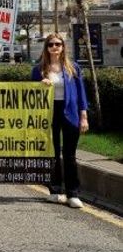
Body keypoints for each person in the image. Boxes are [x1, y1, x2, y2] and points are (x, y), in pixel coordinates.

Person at [31, 33, 89, 209]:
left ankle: (73, 193)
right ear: (46, 48)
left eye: (58, 44)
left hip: (70, 113)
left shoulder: (73, 68)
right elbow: (31, 93)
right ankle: (55, 191)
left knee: (70, 155)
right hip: (49, 113)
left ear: (63, 47)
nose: (54, 47)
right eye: (50, 44)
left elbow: (81, 94)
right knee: (53, 154)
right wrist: (41, 84)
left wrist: (84, 116)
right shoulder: (39, 69)